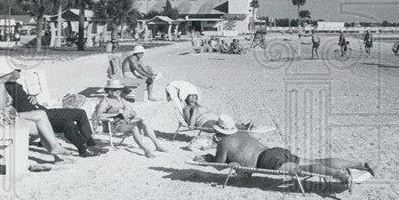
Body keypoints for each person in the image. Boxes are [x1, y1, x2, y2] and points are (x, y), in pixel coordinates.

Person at [206, 115, 374, 183]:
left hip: (267, 161)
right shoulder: (242, 134)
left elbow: (219, 165)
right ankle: (359, 164)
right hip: (275, 151)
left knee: (303, 169)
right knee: (315, 162)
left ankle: (340, 175)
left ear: (218, 130)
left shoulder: (224, 143)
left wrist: (206, 158)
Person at [0, 57, 67, 161]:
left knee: (41, 113)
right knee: (41, 126)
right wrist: (15, 115)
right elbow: (1, 112)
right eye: (10, 72)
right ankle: (55, 152)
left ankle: (55, 148)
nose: (11, 75)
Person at [3, 70, 104, 157]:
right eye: (17, 70)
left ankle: (91, 143)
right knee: (67, 123)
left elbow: (22, 99)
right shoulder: (4, 88)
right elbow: (7, 108)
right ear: (8, 72)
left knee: (80, 113)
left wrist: (32, 97)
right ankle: (82, 149)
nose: (19, 72)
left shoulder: (15, 84)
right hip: (38, 118)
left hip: (45, 110)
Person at [94, 79, 166, 157]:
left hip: (125, 122)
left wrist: (130, 113)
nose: (118, 91)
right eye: (115, 89)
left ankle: (157, 145)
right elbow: (98, 115)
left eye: (119, 89)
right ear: (109, 90)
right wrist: (117, 114)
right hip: (113, 125)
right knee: (134, 127)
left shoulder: (121, 99)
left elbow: (134, 113)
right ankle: (145, 149)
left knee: (144, 122)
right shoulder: (105, 101)